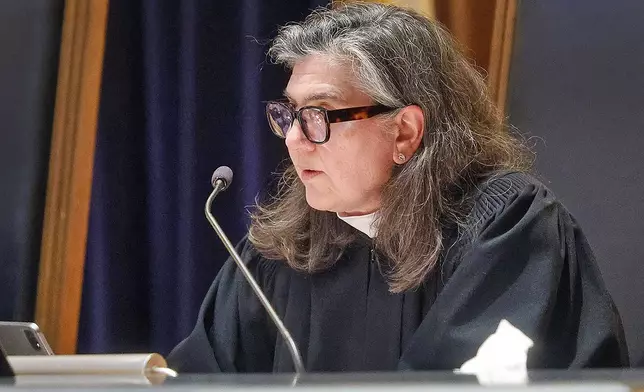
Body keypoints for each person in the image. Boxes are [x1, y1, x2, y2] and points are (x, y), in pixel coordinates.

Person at [168, 2, 628, 372]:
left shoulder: (507, 228)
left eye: (319, 115)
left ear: (405, 132)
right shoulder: (284, 247)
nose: (293, 139)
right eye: (290, 114)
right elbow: (195, 378)